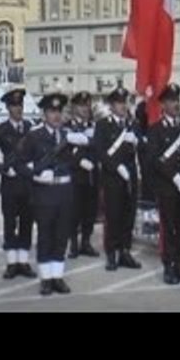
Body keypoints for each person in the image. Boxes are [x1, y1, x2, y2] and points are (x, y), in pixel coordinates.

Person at [20, 92, 77, 295]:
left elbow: (74, 162)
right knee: (45, 235)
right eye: (52, 111)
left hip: (64, 191)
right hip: (44, 192)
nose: (56, 115)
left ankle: (57, 276)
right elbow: (19, 164)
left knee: (61, 235)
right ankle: (46, 278)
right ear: (44, 113)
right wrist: (35, 175)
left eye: (58, 111)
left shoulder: (67, 135)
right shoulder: (34, 136)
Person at [146, 83, 180, 285]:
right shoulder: (155, 130)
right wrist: (172, 175)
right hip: (167, 187)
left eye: (177, 100)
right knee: (168, 228)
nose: (175, 104)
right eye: (171, 101)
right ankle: (168, 267)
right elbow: (154, 160)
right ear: (163, 105)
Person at [94, 87, 141, 271]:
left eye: (125, 102)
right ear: (112, 106)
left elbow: (141, 147)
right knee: (113, 216)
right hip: (113, 177)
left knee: (128, 215)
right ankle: (111, 253)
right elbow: (100, 151)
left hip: (130, 177)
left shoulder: (132, 124)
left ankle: (125, 251)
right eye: (119, 103)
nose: (123, 106)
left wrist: (138, 141)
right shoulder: (103, 125)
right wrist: (116, 166)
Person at [0, 88, 37, 279]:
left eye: (20, 105)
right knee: (10, 223)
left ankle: (24, 261)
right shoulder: (0, 130)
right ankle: (12, 262)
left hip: (27, 183)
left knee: (27, 223)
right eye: (14, 106)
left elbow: (40, 150)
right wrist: (3, 168)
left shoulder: (31, 127)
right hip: (11, 183)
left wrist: (33, 164)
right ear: (7, 108)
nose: (18, 109)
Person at [67, 91, 100, 258]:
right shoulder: (68, 126)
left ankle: (86, 242)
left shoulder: (94, 127)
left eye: (87, 105)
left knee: (90, 211)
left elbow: (99, 147)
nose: (85, 108)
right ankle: (72, 242)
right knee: (74, 211)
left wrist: (93, 161)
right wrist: (78, 161)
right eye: (81, 105)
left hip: (92, 176)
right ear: (74, 107)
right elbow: (64, 152)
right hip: (75, 175)